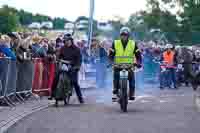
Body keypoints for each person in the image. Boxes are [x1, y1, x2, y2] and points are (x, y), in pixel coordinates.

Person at [109, 27, 142, 101]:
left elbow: (138, 55)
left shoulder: (133, 43)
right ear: (120, 35)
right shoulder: (115, 43)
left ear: (128, 36)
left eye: (125, 35)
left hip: (129, 65)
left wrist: (139, 63)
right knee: (116, 76)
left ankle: (132, 93)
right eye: (122, 35)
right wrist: (110, 62)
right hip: (118, 65)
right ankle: (115, 91)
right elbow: (111, 55)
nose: (124, 36)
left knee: (132, 79)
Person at [50, 34, 84, 104]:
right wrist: (59, 61)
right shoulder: (62, 48)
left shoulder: (76, 49)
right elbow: (59, 57)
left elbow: (79, 60)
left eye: (68, 40)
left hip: (73, 66)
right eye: (65, 41)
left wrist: (77, 67)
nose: (67, 42)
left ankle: (80, 98)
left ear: (71, 40)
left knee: (75, 82)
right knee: (55, 78)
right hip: (64, 66)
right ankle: (52, 94)